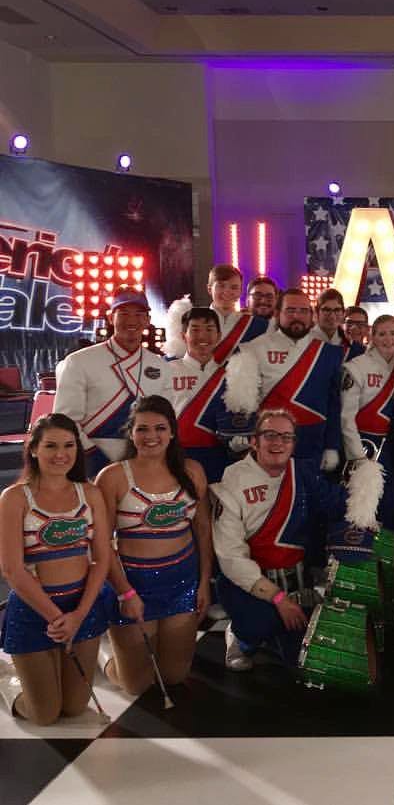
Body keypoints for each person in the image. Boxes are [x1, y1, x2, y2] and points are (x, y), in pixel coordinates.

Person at [211, 409, 357, 670]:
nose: (278, 442)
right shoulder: (233, 479)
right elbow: (231, 558)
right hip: (250, 582)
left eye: (286, 437)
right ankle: (240, 637)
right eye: (270, 435)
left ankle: (281, 628)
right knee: (259, 624)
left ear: (293, 443)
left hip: (297, 578)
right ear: (254, 441)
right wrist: (279, 599)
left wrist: (365, 486)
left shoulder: (302, 471)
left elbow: (338, 505)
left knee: (305, 660)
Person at [95, 396, 211, 695]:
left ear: (172, 432)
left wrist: (203, 584)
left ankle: (130, 653)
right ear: (131, 433)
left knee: (174, 676)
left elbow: (203, 531)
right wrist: (125, 591)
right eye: (142, 429)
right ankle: (103, 655)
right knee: (137, 685)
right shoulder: (112, 477)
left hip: (181, 581)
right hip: (133, 584)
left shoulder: (192, 471)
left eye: (160, 428)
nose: (151, 437)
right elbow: (102, 545)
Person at [0, 414, 112, 725]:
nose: (61, 454)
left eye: (68, 445)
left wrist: (78, 616)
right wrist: (55, 617)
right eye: (50, 446)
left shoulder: (89, 493)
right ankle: (5, 677)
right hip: (35, 609)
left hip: (81, 607)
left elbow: (101, 560)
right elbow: (11, 569)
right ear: (33, 448)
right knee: (45, 714)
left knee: (75, 708)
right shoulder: (14, 498)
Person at [54, 286, 171, 475]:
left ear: (148, 320)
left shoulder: (160, 366)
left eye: (139, 314)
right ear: (110, 318)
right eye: (123, 313)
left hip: (145, 460)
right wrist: (94, 458)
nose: (131, 320)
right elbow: (64, 420)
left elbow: (166, 419)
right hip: (89, 461)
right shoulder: (79, 361)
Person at [223, 288, 343, 469]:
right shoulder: (253, 349)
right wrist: (238, 434)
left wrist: (331, 446)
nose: (297, 316)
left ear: (312, 316)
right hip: (269, 443)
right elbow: (240, 401)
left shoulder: (329, 353)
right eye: (291, 310)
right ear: (278, 313)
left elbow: (334, 406)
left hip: (313, 445)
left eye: (303, 311)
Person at [340, 315, 394, 531]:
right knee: (364, 507)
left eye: (393, 333)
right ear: (372, 337)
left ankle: (386, 560)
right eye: (382, 334)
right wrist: (357, 456)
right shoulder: (356, 367)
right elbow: (346, 418)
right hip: (363, 447)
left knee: (392, 507)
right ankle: (359, 560)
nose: (388, 339)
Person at [167, 307, 232, 482]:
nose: (202, 336)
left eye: (209, 329)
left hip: (219, 457)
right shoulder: (166, 370)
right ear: (183, 336)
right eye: (195, 330)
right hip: (175, 456)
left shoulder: (232, 374)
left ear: (219, 336)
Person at [208, 265, 270, 364]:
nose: (227, 291)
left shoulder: (257, 325)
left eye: (234, 287)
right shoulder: (194, 322)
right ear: (209, 289)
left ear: (240, 292)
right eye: (221, 286)